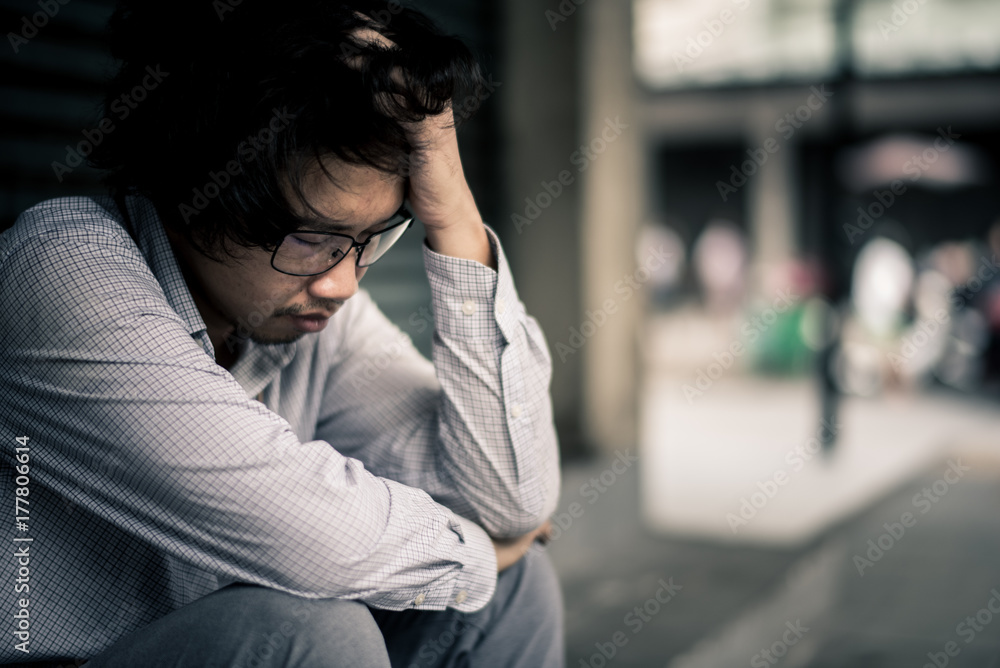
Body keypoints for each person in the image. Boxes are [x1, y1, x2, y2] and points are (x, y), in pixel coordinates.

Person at [0, 1, 563, 666]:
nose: (343, 284)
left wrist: (455, 220)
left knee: (511, 588)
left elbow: (511, 505)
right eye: (311, 239)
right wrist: (478, 556)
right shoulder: (61, 268)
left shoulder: (310, 315)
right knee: (312, 631)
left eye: (372, 238)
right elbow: (321, 547)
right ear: (196, 188)